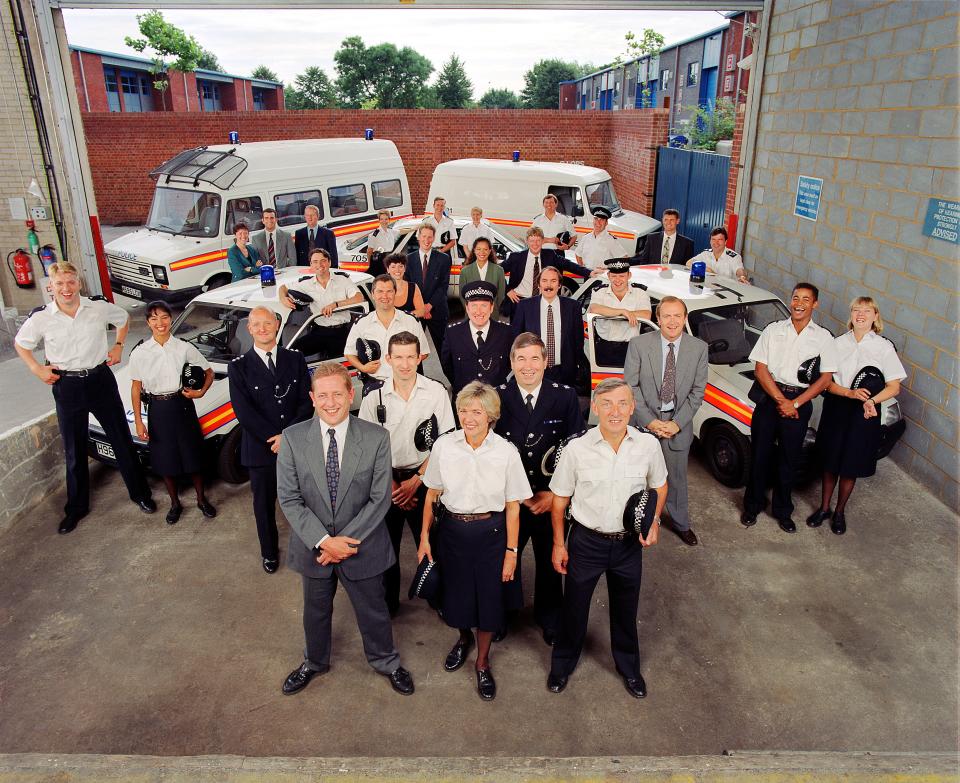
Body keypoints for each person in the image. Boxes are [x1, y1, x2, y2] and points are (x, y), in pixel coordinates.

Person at [277, 362, 414, 697]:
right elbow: (290, 499)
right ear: (311, 398)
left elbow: (380, 499)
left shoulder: (376, 438)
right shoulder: (293, 439)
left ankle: (386, 661)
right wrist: (324, 541)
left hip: (362, 545)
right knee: (315, 611)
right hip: (316, 549)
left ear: (351, 394)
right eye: (322, 395)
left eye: (337, 393)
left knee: (374, 611)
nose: (330, 401)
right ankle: (314, 662)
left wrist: (344, 544)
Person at [546, 378, 668, 698]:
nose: (615, 411)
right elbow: (559, 499)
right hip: (586, 543)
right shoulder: (576, 448)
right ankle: (562, 664)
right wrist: (559, 543)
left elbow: (660, 485)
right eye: (607, 404)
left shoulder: (648, 446)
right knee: (574, 608)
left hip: (628, 545)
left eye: (622, 404)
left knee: (626, 610)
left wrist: (653, 521)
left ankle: (628, 667)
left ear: (632, 408)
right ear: (596, 408)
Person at [14, 262, 156, 534]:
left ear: (78, 283)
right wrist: (36, 368)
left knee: (121, 441)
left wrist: (118, 346)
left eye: (70, 282)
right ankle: (76, 508)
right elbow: (21, 344)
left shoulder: (97, 307)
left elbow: (123, 319)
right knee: (74, 449)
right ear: (51, 287)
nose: (66, 289)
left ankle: (140, 494)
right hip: (66, 384)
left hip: (99, 380)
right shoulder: (41, 318)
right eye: (60, 284)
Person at [418, 381, 532, 701]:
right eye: (463, 410)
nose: (469, 417)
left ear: (491, 416)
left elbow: (513, 506)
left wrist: (512, 552)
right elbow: (432, 494)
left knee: (488, 601)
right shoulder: (444, 445)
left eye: (477, 411)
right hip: (452, 533)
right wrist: (425, 538)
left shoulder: (506, 452)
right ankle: (463, 638)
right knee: (456, 597)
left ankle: (482, 662)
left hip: (491, 535)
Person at [495, 332, 585, 645]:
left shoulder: (565, 396)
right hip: (512, 501)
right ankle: (503, 614)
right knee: (507, 557)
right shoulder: (497, 397)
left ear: (546, 362)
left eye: (535, 358)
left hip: (550, 498)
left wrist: (555, 494)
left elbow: (576, 449)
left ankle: (549, 616)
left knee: (550, 559)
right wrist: (515, 495)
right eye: (521, 359)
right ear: (511, 362)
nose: (528, 366)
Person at [358, 331, 455, 615]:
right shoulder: (372, 396)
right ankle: (388, 603)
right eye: (398, 357)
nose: (404, 364)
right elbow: (365, 445)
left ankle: (437, 597)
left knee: (431, 541)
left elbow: (445, 439)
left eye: (410, 356)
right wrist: (390, 485)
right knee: (386, 546)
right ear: (387, 359)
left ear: (420, 357)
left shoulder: (436, 391)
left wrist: (417, 480)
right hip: (385, 480)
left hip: (424, 477)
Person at [742, 282, 838, 533]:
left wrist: (795, 403)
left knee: (788, 460)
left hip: (800, 402)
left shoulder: (824, 337)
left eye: (806, 299)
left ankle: (783, 511)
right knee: (760, 455)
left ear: (815, 304)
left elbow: (825, 379)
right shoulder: (773, 330)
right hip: (769, 398)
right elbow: (760, 370)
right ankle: (752, 506)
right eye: (796, 298)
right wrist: (782, 401)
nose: (799, 303)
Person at [807, 296, 906, 535]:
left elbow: (894, 387)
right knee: (830, 462)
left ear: (875, 317)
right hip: (837, 407)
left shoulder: (883, 347)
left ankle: (839, 512)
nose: (861, 314)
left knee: (850, 465)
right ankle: (824, 508)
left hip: (864, 412)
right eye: (856, 310)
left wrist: (871, 400)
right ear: (851, 315)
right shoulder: (837, 343)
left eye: (867, 310)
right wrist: (848, 393)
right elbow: (825, 382)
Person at [228, 306, 314, 573]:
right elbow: (244, 412)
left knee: (306, 500)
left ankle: (312, 544)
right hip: (260, 450)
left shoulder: (295, 359)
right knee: (263, 505)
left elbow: (305, 403)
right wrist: (273, 438)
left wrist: (286, 437)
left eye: (267, 323)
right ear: (250, 329)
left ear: (277, 325)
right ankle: (269, 552)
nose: (263, 328)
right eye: (257, 325)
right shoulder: (239, 367)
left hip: (295, 445)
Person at [623, 296, 708, 547]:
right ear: (657, 319)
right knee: (637, 476)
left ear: (685, 319)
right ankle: (633, 520)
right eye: (666, 316)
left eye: (677, 316)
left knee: (677, 479)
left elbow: (697, 391)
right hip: (644, 424)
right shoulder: (639, 344)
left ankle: (681, 523)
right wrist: (649, 421)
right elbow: (631, 386)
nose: (672, 321)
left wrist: (676, 424)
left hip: (677, 426)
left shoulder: (699, 348)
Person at [129, 301, 215, 524]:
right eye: (155, 319)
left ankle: (201, 499)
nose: (160, 323)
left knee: (192, 455)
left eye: (165, 317)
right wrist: (139, 421)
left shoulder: (183, 347)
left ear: (171, 319)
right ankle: (175, 503)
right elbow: (136, 388)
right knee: (165, 459)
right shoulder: (140, 352)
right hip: (158, 408)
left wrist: (201, 392)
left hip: (182, 405)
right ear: (148, 323)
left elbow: (209, 371)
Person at [279, 248, 364, 359]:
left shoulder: (342, 279)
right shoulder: (306, 283)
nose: (319, 264)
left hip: (341, 332)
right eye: (315, 262)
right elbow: (283, 288)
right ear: (311, 265)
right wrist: (283, 299)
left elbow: (359, 298)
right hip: (319, 331)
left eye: (323, 260)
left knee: (337, 367)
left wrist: (335, 305)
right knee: (290, 354)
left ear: (329, 262)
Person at [345, 275, 429, 383]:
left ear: (395, 293)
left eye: (389, 291)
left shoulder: (410, 321)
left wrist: (406, 365)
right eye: (380, 291)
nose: (385, 296)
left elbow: (424, 352)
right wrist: (363, 368)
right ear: (373, 294)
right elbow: (349, 352)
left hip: (406, 383)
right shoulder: (362, 323)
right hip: (375, 385)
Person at [510, 266, 585, 388]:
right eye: (544, 280)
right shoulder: (525, 306)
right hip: (533, 370)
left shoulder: (573, 307)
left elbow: (578, 339)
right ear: (538, 285)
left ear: (559, 285)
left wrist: (576, 366)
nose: (548, 285)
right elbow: (516, 339)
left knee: (562, 405)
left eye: (553, 281)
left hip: (564, 371)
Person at [441, 281, 513, 397]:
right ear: (467, 308)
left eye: (484, 305)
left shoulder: (505, 333)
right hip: (463, 399)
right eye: (474, 305)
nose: (478, 311)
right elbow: (447, 366)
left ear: (491, 307)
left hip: (495, 398)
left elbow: (509, 364)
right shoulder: (453, 333)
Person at [502, 227, 591, 319]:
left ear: (542, 241)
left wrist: (589, 273)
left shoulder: (550, 255)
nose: (535, 244)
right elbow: (497, 271)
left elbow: (569, 265)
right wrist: (507, 290)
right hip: (519, 302)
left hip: (542, 302)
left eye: (538, 240)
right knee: (519, 332)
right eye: (532, 241)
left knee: (541, 332)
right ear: (527, 242)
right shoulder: (516, 257)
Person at [588, 257, 652, 366]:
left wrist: (614, 312)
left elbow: (646, 315)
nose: (618, 280)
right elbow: (594, 308)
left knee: (630, 382)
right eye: (614, 276)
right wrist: (623, 312)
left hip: (631, 348)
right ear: (608, 276)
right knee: (604, 382)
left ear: (629, 275)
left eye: (622, 276)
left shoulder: (640, 293)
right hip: (604, 347)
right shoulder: (599, 291)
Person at [405, 223, 451, 354]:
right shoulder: (408, 259)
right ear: (418, 237)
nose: (427, 240)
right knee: (413, 350)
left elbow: (443, 286)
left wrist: (428, 306)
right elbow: (409, 287)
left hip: (437, 310)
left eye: (430, 237)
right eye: (424, 236)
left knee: (445, 351)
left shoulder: (444, 259)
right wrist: (421, 308)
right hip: (415, 311)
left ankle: (452, 375)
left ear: (434, 238)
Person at [458, 237, 506, 320]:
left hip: (492, 315)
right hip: (472, 315)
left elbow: (501, 295)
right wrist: (471, 309)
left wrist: (492, 309)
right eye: (478, 249)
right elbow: (462, 296)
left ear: (490, 251)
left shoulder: (499, 270)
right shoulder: (465, 271)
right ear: (474, 250)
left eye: (485, 249)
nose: (482, 252)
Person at [366, 210, 399, 276]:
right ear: (379, 220)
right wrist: (369, 265)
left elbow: (402, 231)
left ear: (389, 220)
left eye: (386, 219)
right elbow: (369, 250)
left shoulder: (391, 232)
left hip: (389, 259)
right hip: (378, 261)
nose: (384, 221)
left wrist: (416, 227)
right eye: (382, 219)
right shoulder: (375, 234)